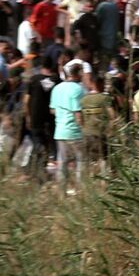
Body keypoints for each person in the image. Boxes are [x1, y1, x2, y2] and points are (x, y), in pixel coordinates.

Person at [51, 61, 87, 191]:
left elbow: (53, 110)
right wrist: (83, 128)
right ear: (78, 74)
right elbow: (78, 112)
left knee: (62, 162)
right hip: (75, 131)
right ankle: (81, 190)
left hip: (60, 130)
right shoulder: (78, 89)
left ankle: (62, 192)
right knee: (81, 161)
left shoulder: (57, 88)